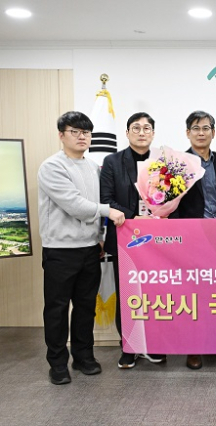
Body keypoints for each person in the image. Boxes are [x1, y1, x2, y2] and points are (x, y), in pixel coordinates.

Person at [38, 111, 125, 385]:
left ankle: (84, 357)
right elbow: (74, 204)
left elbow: (93, 210)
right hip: (60, 250)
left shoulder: (93, 168)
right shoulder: (52, 167)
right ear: (61, 135)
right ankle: (57, 364)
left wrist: (99, 236)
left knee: (86, 307)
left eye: (86, 132)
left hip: (90, 249)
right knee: (57, 309)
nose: (81, 137)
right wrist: (109, 211)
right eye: (74, 131)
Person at [100, 112, 166, 369]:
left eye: (147, 128)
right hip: (124, 238)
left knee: (156, 295)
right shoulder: (112, 162)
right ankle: (129, 346)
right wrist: (134, 217)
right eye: (136, 128)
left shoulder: (163, 162)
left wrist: (162, 214)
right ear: (127, 133)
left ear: (153, 133)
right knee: (127, 295)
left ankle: (156, 344)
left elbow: (172, 198)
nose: (141, 132)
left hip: (157, 242)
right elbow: (106, 199)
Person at [173, 110, 216, 370]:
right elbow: (170, 205)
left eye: (206, 128)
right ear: (188, 133)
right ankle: (193, 348)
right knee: (193, 295)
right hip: (192, 236)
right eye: (196, 128)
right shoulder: (177, 163)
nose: (201, 133)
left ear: (213, 133)